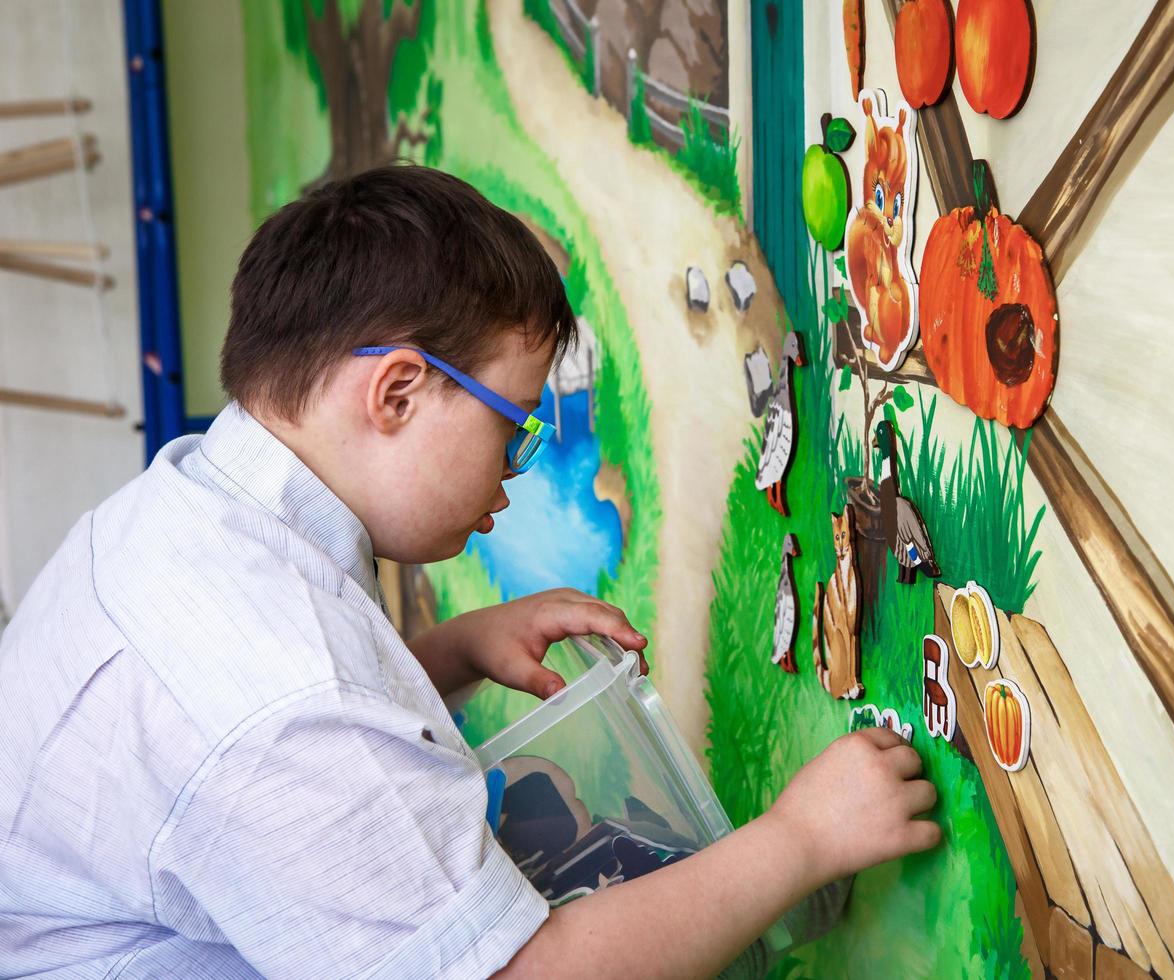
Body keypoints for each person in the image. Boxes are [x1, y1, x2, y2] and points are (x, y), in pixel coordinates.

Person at [0, 165, 939, 979]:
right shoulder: (282, 701)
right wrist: (801, 839)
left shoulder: (190, 505)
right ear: (397, 391)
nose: (515, 465)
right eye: (514, 423)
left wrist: (444, 651)